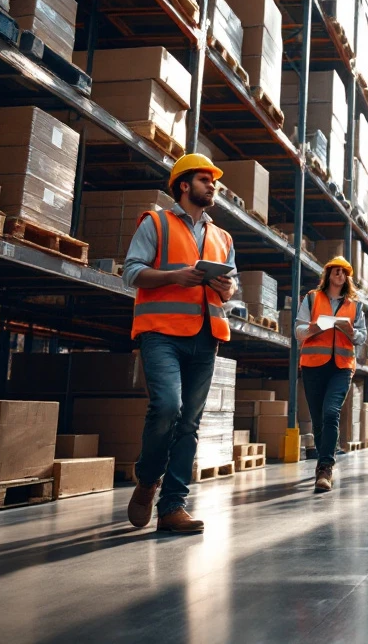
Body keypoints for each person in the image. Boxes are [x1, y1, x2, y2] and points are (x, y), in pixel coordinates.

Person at [124, 154, 237, 534]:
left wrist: (227, 287)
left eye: (214, 180)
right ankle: (147, 479)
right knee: (166, 407)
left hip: (206, 336)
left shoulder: (222, 237)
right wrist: (178, 277)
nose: (213, 185)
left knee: (189, 422)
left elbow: (230, 288)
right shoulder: (155, 222)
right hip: (161, 332)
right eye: (206, 179)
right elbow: (132, 272)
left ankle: (172, 506)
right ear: (184, 185)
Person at [296, 256, 366, 493]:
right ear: (328, 274)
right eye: (335, 270)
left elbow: (362, 337)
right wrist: (312, 329)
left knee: (330, 412)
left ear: (347, 278)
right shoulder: (312, 298)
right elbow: (298, 329)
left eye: (344, 272)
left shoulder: (355, 305)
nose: (340, 274)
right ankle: (322, 463)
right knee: (318, 419)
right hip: (313, 365)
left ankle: (326, 467)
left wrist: (351, 331)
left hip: (342, 366)